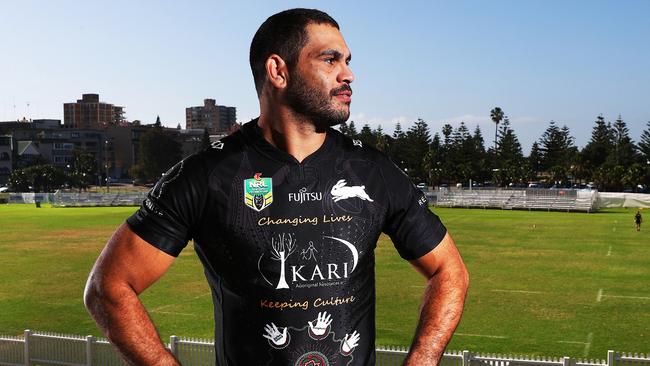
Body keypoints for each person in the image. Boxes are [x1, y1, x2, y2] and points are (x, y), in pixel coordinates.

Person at [84, 8, 469, 366]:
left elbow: (449, 270)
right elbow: (108, 287)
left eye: (348, 62)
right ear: (278, 71)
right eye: (330, 59)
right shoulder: (207, 176)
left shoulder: (372, 171)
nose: (348, 75)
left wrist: (421, 361)